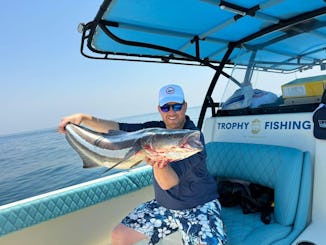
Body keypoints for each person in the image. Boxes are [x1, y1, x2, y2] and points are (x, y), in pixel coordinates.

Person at [58, 84, 226, 245]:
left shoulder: (192, 138)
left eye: (177, 106)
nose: (172, 112)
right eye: (166, 107)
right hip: (165, 206)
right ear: (160, 109)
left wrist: (157, 163)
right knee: (119, 235)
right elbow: (116, 128)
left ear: (185, 106)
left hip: (199, 205)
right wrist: (83, 118)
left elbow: (168, 182)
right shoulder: (153, 130)